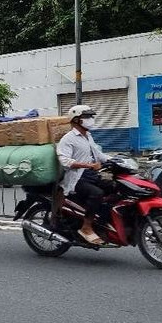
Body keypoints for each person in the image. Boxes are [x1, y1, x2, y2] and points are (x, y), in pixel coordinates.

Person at [57, 105, 113, 245]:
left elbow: (98, 155)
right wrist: (88, 165)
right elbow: (64, 161)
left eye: (91, 117)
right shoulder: (68, 139)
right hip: (77, 178)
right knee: (97, 193)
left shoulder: (88, 136)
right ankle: (86, 227)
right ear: (76, 120)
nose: (90, 120)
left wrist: (117, 160)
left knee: (115, 187)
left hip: (90, 175)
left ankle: (103, 222)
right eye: (86, 117)